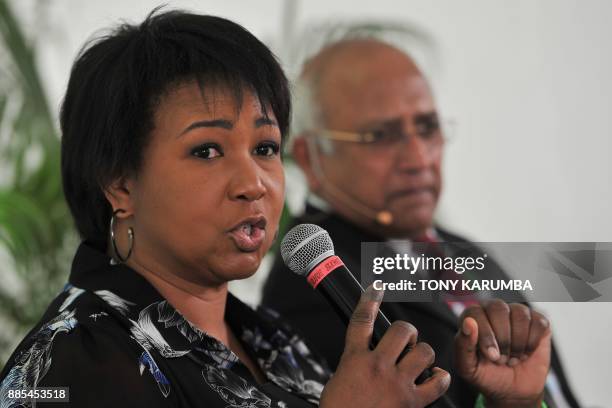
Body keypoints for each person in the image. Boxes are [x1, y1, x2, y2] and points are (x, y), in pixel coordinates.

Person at [0, 11, 453, 408]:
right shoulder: (77, 360)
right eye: (207, 151)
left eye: (265, 146)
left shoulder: (270, 339)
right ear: (120, 183)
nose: (253, 183)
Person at [262, 37, 580, 408]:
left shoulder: (454, 245)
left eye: (427, 127)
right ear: (310, 156)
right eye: (380, 135)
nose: (417, 158)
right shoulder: (321, 288)